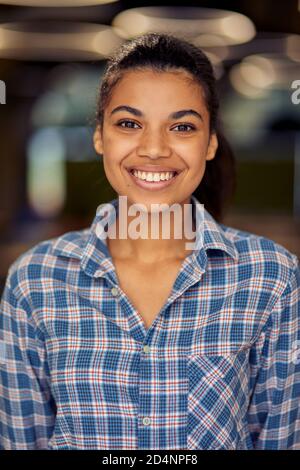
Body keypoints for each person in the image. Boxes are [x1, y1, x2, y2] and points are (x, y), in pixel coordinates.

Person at [0, 32, 299, 450]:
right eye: (129, 123)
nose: (154, 149)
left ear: (210, 142)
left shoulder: (271, 278)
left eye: (182, 126)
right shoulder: (36, 281)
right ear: (100, 136)